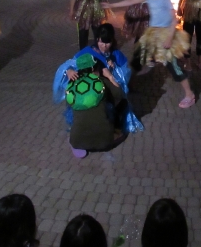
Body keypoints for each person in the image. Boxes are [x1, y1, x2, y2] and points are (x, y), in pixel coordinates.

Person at [103, 0, 196, 109]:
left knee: (173, 66)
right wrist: (111, 5)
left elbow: (174, 19)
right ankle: (128, 85)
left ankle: (189, 94)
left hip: (165, 34)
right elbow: (131, 2)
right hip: (152, 34)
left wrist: (169, 38)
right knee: (137, 59)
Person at [53, 24, 144, 157]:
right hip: (103, 92)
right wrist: (69, 70)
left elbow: (125, 74)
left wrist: (115, 68)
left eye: (108, 42)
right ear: (97, 40)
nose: (104, 46)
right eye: (102, 42)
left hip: (100, 95)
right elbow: (71, 64)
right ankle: (112, 129)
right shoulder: (87, 54)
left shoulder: (115, 55)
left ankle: (80, 135)